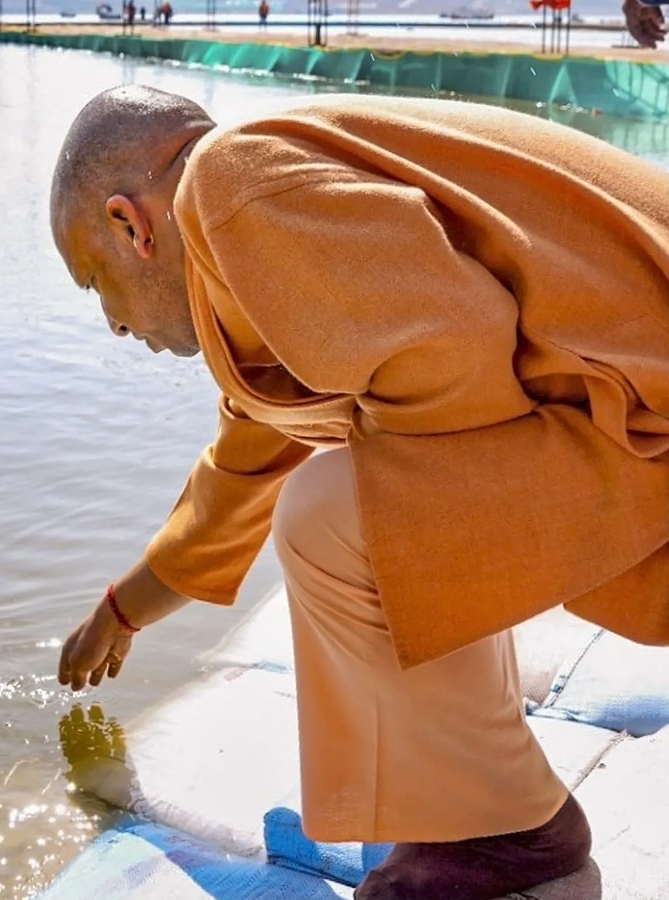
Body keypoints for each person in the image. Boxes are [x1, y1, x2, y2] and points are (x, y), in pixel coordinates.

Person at [50, 84, 669, 899]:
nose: (116, 327)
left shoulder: (232, 186)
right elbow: (238, 479)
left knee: (337, 511)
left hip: (648, 410)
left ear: (132, 226)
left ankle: (500, 832)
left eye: (96, 284)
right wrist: (121, 610)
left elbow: (456, 355)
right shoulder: (272, 235)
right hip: (641, 407)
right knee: (363, 493)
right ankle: (478, 809)